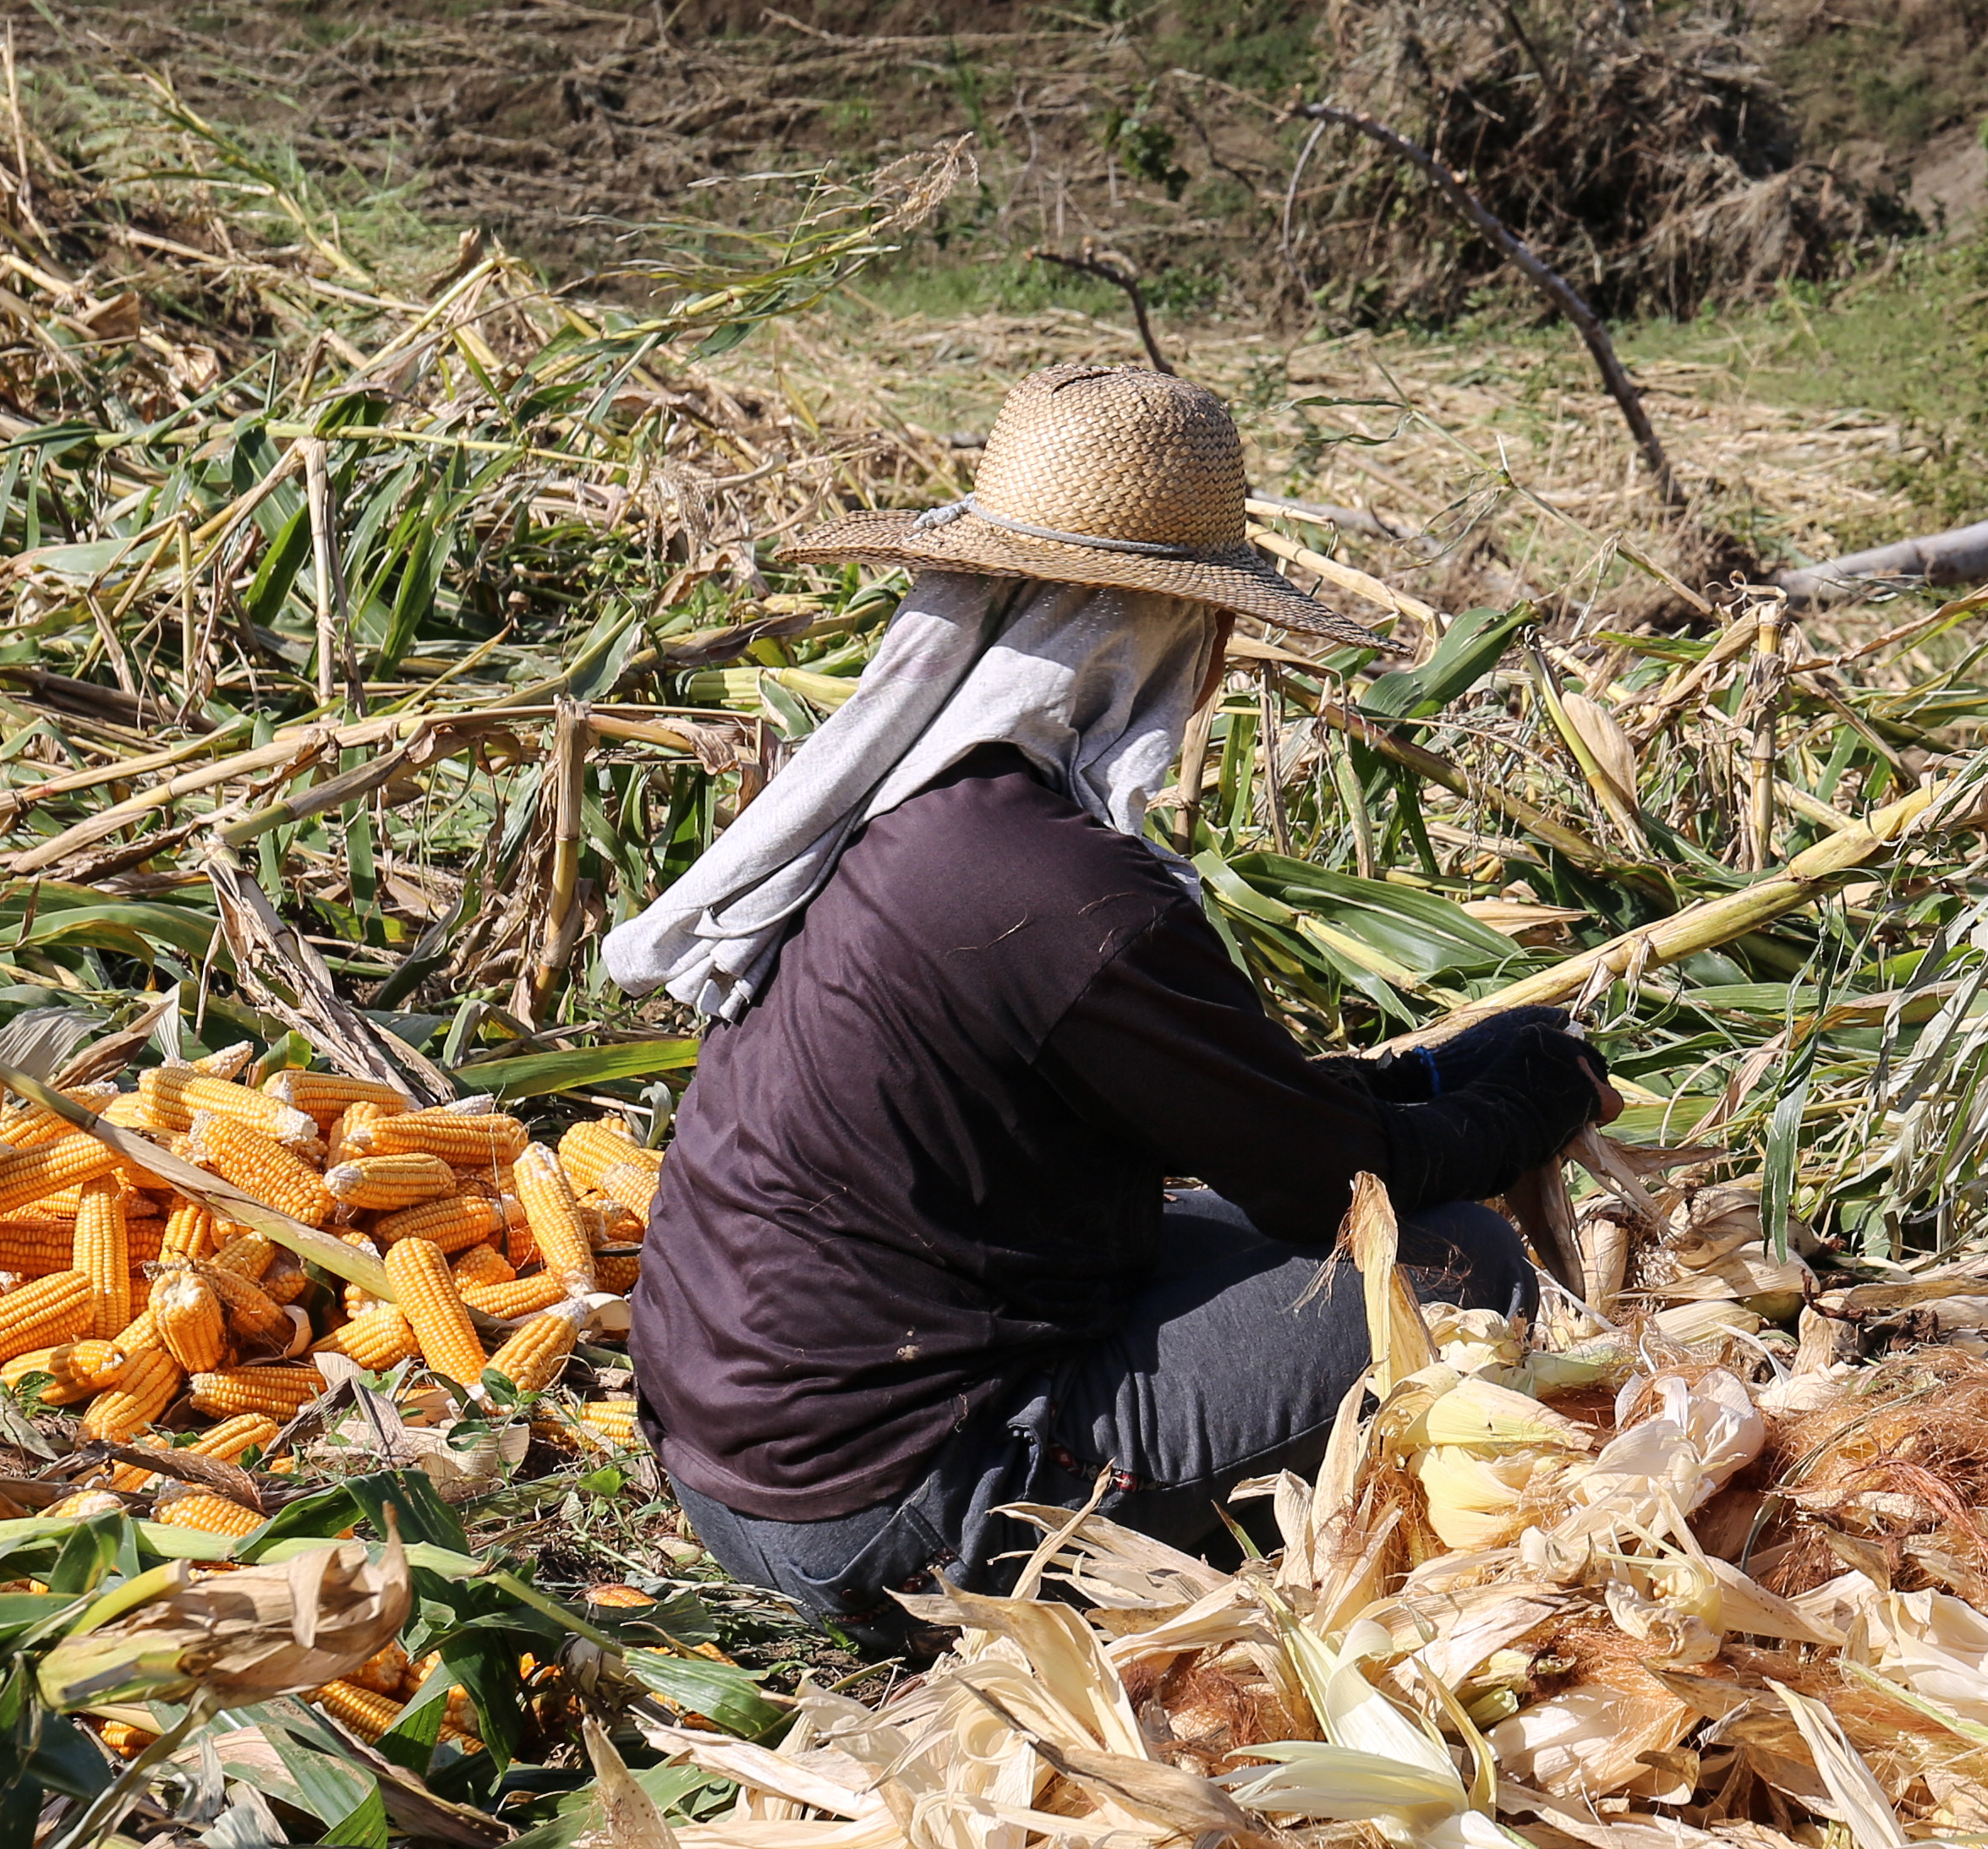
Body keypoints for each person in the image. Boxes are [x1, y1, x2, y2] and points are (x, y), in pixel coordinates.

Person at [603, 364, 1611, 1635]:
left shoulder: (916, 827)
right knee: (1460, 1261)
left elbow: (1252, 1124)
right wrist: (1523, 1101)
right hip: (883, 1504)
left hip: (736, 1458)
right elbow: (1326, 1189)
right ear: (1169, 635)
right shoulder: (1056, 891)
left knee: (1271, 1237)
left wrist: (1423, 1081)